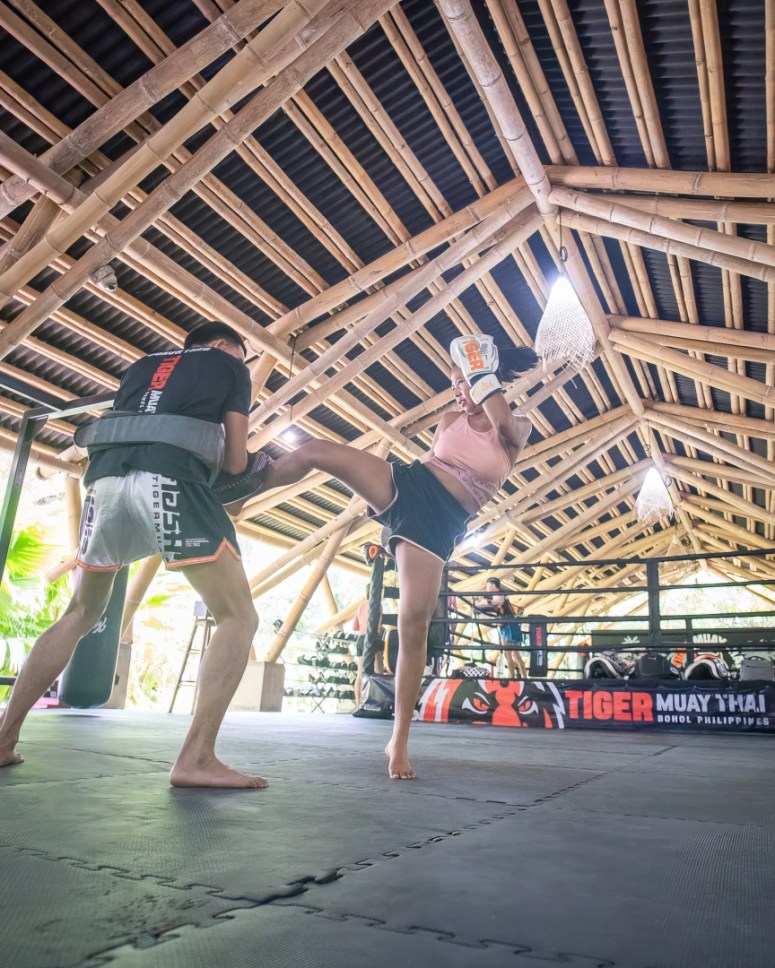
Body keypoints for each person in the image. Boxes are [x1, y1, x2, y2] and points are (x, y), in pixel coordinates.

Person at [225, 333, 538, 780]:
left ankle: (399, 741)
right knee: (315, 449)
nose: (457, 390)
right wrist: (468, 377)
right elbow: (437, 461)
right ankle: (240, 492)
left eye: (462, 382)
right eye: (453, 382)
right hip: (408, 485)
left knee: (412, 626)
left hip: (439, 522)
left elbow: (502, 425)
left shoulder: (515, 428)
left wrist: (479, 374)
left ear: (482, 380)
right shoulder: (449, 418)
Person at [0, 321, 266, 790]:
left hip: (104, 483)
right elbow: (237, 463)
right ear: (227, 347)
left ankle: (3, 740)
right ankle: (196, 757)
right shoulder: (229, 365)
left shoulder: (142, 367)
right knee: (238, 617)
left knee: (80, 611)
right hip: (170, 478)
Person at [475, 577, 526, 678]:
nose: (487, 589)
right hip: (511, 625)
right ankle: (524, 678)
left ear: (493, 586)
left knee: (508, 654)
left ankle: (512, 678)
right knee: (516, 654)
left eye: (488, 586)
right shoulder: (501, 595)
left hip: (508, 627)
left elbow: (494, 603)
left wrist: (481, 601)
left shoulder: (499, 596)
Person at [351, 583, 383, 706]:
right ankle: (377, 702)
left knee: (360, 674)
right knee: (378, 672)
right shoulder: (378, 606)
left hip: (360, 639)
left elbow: (355, 627)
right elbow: (378, 627)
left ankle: (359, 704)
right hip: (372, 638)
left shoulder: (360, 606)